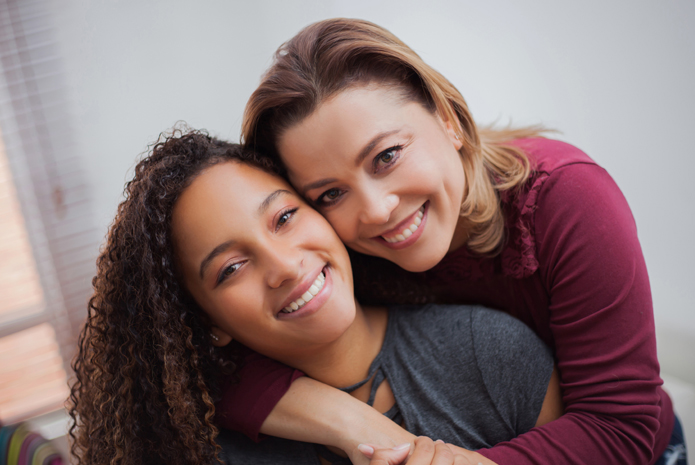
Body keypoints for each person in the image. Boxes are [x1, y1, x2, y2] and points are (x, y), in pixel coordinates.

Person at [212, 18, 683, 465]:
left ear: (448, 120)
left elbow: (622, 425)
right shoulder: (334, 244)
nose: (376, 210)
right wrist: (351, 425)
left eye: (387, 156)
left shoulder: (568, 198)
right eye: (332, 193)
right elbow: (205, 364)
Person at [68, 129, 562, 465]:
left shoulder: (492, 353)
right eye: (232, 268)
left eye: (284, 218)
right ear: (207, 321)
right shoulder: (215, 451)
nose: (284, 266)